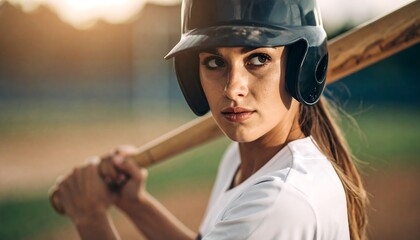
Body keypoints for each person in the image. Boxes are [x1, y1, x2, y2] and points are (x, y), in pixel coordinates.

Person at [53, 0, 369, 239]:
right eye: (215, 61)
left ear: (302, 67)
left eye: (258, 58)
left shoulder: (280, 202)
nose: (233, 89)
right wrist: (134, 204)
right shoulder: (242, 158)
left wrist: (90, 219)